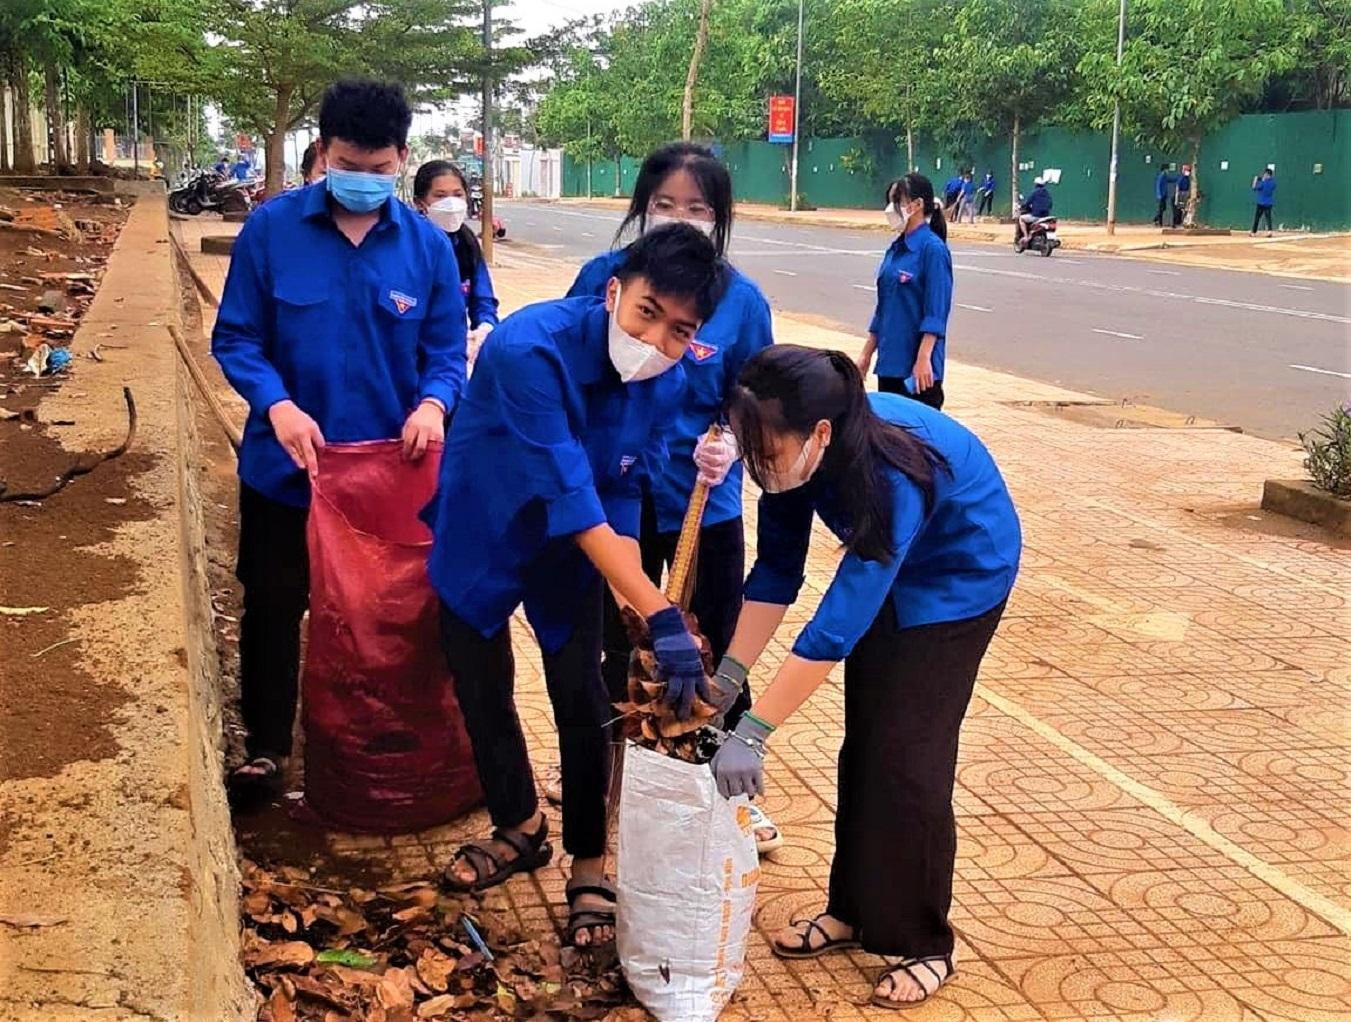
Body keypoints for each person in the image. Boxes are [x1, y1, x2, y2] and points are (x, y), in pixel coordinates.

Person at [426, 223, 729, 949]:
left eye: (680, 330)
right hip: (486, 527)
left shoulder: (668, 376)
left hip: (576, 550)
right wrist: (656, 609)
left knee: (585, 695)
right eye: (647, 313)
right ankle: (519, 826)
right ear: (614, 292)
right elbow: (568, 491)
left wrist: (640, 604)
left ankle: (589, 862)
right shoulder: (528, 348)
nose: (657, 339)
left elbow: (624, 488)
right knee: (482, 685)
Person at [709, 344, 1021, 1009]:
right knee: (865, 747)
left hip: (958, 583)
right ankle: (850, 910)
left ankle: (924, 942)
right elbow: (774, 576)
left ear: (819, 434)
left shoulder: (887, 472)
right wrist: (729, 675)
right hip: (895, 571)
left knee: (909, 759)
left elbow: (836, 624)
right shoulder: (790, 461)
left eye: (765, 448)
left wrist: (755, 730)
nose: (757, 462)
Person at [211, 79, 467, 803]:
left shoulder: (425, 247)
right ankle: (267, 748)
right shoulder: (271, 232)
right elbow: (236, 337)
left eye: (381, 170)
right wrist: (278, 405)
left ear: (402, 161)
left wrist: (433, 405)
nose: (365, 181)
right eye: (350, 165)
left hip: (392, 479)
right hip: (287, 470)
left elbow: (446, 352)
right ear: (323, 153)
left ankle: (378, 745)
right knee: (273, 598)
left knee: (385, 615)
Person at [558, 142, 782, 853]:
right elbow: (573, 379)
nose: (676, 218)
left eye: (696, 208)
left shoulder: (740, 302)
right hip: (613, 496)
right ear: (640, 207)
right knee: (610, 645)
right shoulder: (603, 279)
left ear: (717, 220)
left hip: (700, 502)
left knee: (710, 647)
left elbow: (753, 399)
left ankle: (722, 783)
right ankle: (607, 778)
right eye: (662, 205)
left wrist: (727, 437)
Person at [856, 173, 952, 411]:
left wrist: (923, 359)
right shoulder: (895, 249)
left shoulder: (933, 250)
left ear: (917, 205)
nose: (891, 209)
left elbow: (936, 312)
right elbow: (884, 308)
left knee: (917, 442)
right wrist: (867, 355)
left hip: (917, 371)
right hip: (889, 363)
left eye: (896, 201)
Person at [414, 160, 500, 371]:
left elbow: (483, 301)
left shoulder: (467, 245)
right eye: (440, 196)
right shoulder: (408, 246)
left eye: (458, 194)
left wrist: (484, 329)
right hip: (410, 360)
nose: (451, 203)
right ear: (420, 203)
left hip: (452, 362)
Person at [1017, 176, 1053, 245]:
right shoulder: (1047, 193)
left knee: (1021, 219)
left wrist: (1023, 206)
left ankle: (1026, 236)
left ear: (1035, 184)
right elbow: (1050, 204)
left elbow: (1028, 202)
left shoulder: (1034, 192)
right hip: (1046, 216)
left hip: (1036, 216)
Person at [1251, 167, 1276, 236]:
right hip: (1269, 203)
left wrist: (1255, 180)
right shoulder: (1273, 183)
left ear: (1268, 175)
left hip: (1261, 203)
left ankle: (1253, 232)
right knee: (1268, 217)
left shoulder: (1262, 183)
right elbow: (1272, 184)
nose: (1264, 175)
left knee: (1257, 218)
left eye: (1265, 174)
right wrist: (1263, 180)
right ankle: (1270, 231)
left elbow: (1254, 187)